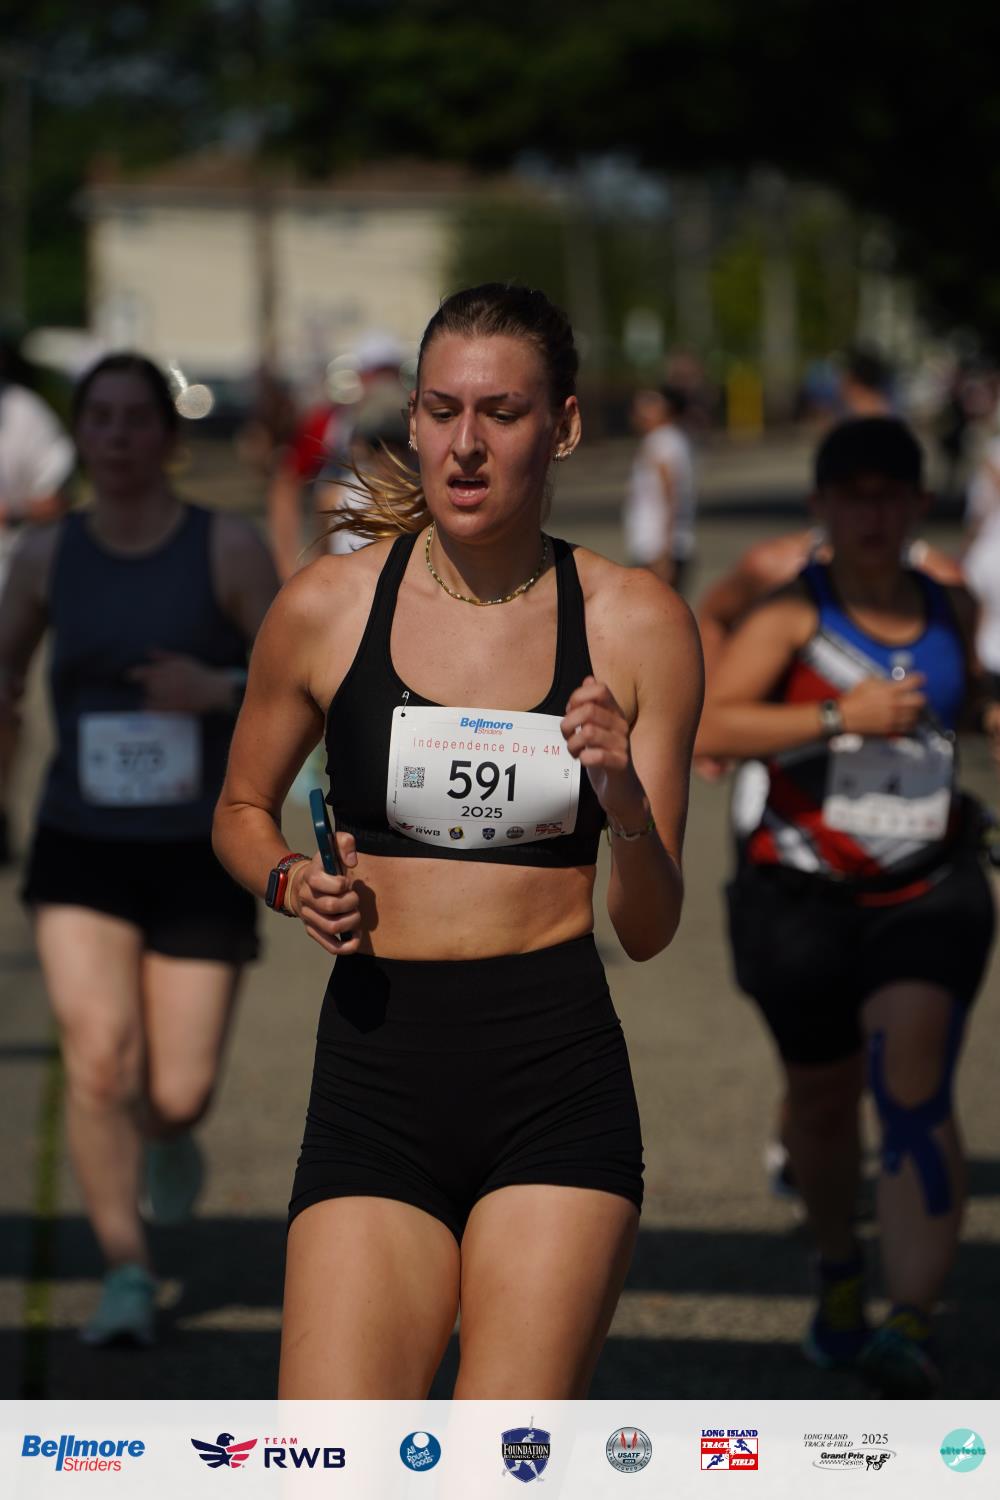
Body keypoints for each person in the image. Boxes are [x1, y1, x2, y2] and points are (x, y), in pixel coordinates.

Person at [213, 283, 703, 1399]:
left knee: (499, 1463)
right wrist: (291, 882)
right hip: (376, 1073)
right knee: (333, 1463)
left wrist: (623, 798)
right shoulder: (329, 606)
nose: (465, 445)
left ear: (562, 426)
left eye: (501, 413)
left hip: (552, 1075)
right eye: (442, 411)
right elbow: (239, 810)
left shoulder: (634, 622)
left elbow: (650, 926)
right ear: (414, 421)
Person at [697, 416, 998, 1397]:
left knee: (913, 1089)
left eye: (890, 496)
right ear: (821, 506)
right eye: (854, 497)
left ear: (918, 504)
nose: (873, 516)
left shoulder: (949, 603)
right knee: (824, 1106)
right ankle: (838, 1269)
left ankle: (909, 1319)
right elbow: (709, 725)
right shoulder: (792, 614)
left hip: (928, 886)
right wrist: (839, 715)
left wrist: (986, 716)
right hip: (798, 894)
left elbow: (967, 702)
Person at [0, 353, 279, 1346]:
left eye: (134, 419)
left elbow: (302, 681)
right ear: (80, 437)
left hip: (200, 847)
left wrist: (217, 688)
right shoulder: (46, 555)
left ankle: (169, 1140)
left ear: (168, 437)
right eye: (99, 419)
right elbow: (5, 677)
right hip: (82, 842)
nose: (116, 437)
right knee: (99, 1060)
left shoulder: (226, 547)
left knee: (176, 1092)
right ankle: (125, 1268)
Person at [0, 337, 76, 861]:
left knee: (3, 699)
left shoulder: (23, 414)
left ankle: (1, 803)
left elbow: (55, 498)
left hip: (8, 575)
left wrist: (13, 514)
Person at [267, 332, 404, 580]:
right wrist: (286, 563)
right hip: (342, 544)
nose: (382, 382)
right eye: (376, 373)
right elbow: (286, 482)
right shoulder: (331, 424)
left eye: (389, 373)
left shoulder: (416, 420)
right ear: (361, 376)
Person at [623, 384, 697, 593]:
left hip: (656, 548)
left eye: (650, 404)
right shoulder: (669, 439)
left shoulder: (662, 442)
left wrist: (665, 552)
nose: (641, 410)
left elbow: (671, 494)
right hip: (660, 546)